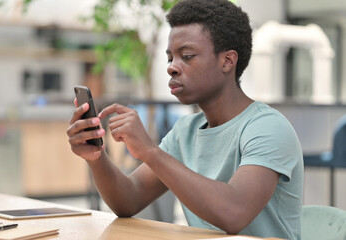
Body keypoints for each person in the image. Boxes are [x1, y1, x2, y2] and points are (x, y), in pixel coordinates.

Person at [67, 0, 303, 239]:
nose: (172, 68)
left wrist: (150, 151)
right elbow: (129, 199)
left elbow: (234, 213)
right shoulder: (185, 131)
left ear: (227, 61)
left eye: (187, 56)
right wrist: (96, 158)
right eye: (170, 58)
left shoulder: (268, 127)